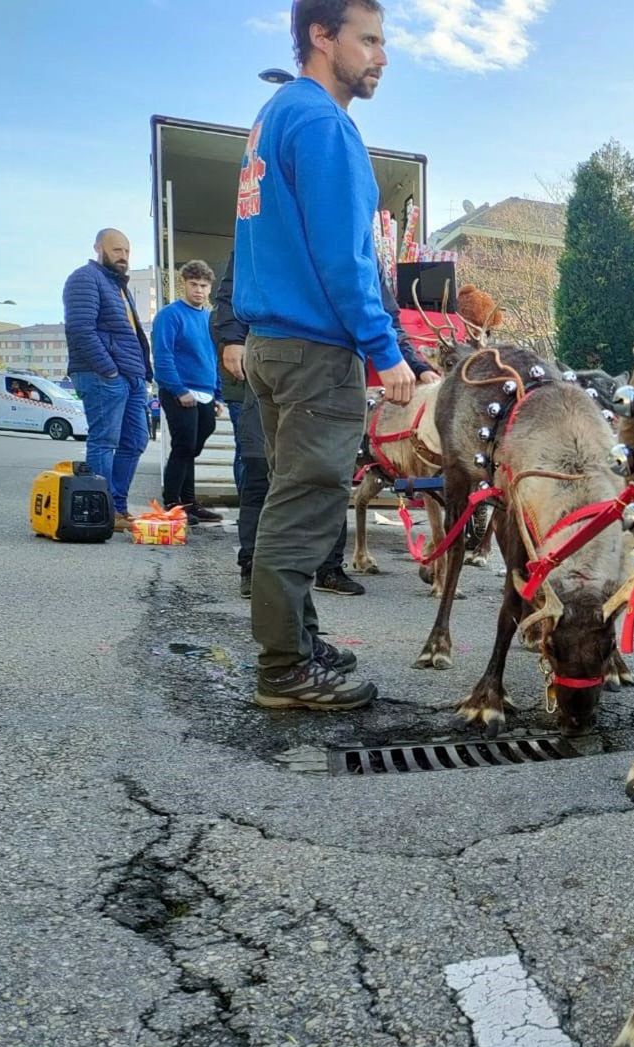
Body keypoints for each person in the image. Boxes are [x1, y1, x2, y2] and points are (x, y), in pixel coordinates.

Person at [233, 0, 414, 711]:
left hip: (273, 345)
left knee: (290, 501)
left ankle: (299, 645)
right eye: (368, 39)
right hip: (314, 352)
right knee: (304, 511)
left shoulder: (276, 114)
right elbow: (346, 261)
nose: (381, 55)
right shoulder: (324, 125)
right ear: (321, 36)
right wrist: (385, 351)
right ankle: (284, 671)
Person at [213, 252, 437, 599]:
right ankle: (256, 569)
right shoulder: (274, 221)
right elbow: (235, 286)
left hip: (333, 368)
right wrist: (231, 338)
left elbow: (384, 312)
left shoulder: (362, 251)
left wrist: (417, 365)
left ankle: (326, 570)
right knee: (263, 471)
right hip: (278, 359)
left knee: (331, 475)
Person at [64, 228, 152, 530]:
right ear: (98, 248)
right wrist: (109, 370)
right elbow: (80, 329)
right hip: (104, 374)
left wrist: (143, 373)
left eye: (126, 251)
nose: (123, 256)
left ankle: (117, 507)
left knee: (136, 440)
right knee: (104, 440)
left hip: (133, 376)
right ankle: (105, 511)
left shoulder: (118, 286)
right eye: (116, 250)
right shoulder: (84, 278)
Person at [151, 260, 225, 523]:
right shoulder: (170, 315)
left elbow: (214, 357)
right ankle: (173, 504)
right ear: (185, 284)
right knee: (183, 446)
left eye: (203, 286)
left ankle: (189, 503)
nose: (198, 290)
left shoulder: (209, 317)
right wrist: (178, 389)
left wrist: (218, 394)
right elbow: (162, 356)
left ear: (210, 287)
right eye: (193, 284)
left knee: (192, 448)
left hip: (206, 392)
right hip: (179, 391)